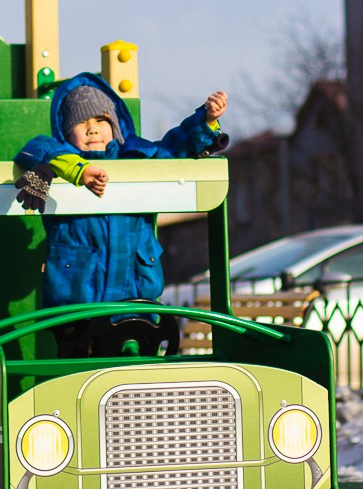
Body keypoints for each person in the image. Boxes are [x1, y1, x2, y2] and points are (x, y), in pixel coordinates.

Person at [13, 71, 228, 310]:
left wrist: (205, 122)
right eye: (81, 122)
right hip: (76, 303)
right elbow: (35, 148)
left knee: (140, 345)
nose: (92, 129)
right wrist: (72, 168)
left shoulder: (138, 156)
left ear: (115, 126)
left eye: (101, 120)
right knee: (81, 347)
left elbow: (176, 146)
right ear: (65, 132)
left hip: (136, 296)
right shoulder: (61, 161)